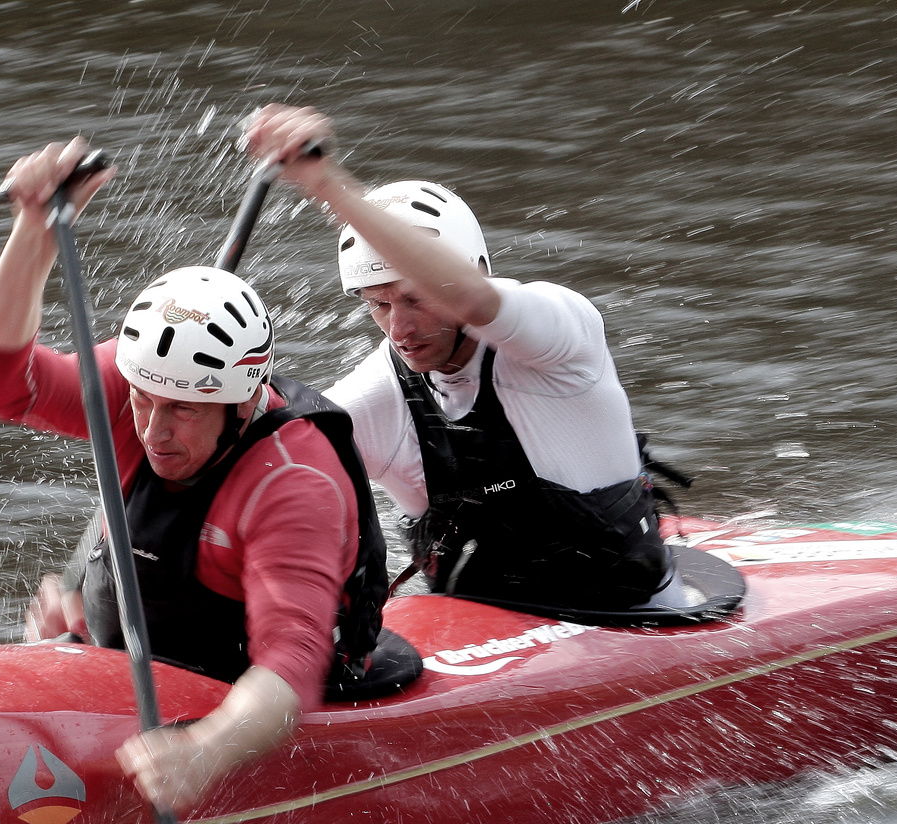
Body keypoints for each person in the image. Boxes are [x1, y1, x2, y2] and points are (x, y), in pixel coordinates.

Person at [0, 137, 401, 813]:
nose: (155, 429)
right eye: (145, 400)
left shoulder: (293, 480)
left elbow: (289, 666)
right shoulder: (137, 379)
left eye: (185, 412)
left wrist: (207, 751)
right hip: (138, 667)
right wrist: (34, 232)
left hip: (249, 696)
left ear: (243, 402)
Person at [243, 106, 687, 617]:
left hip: (631, 613)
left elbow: (476, 303)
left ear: (477, 270)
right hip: (479, 633)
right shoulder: (379, 394)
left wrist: (329, 188)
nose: (398, 330)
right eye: (378, 304)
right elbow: (247, 465)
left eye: (416, 299)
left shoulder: (562, 335)